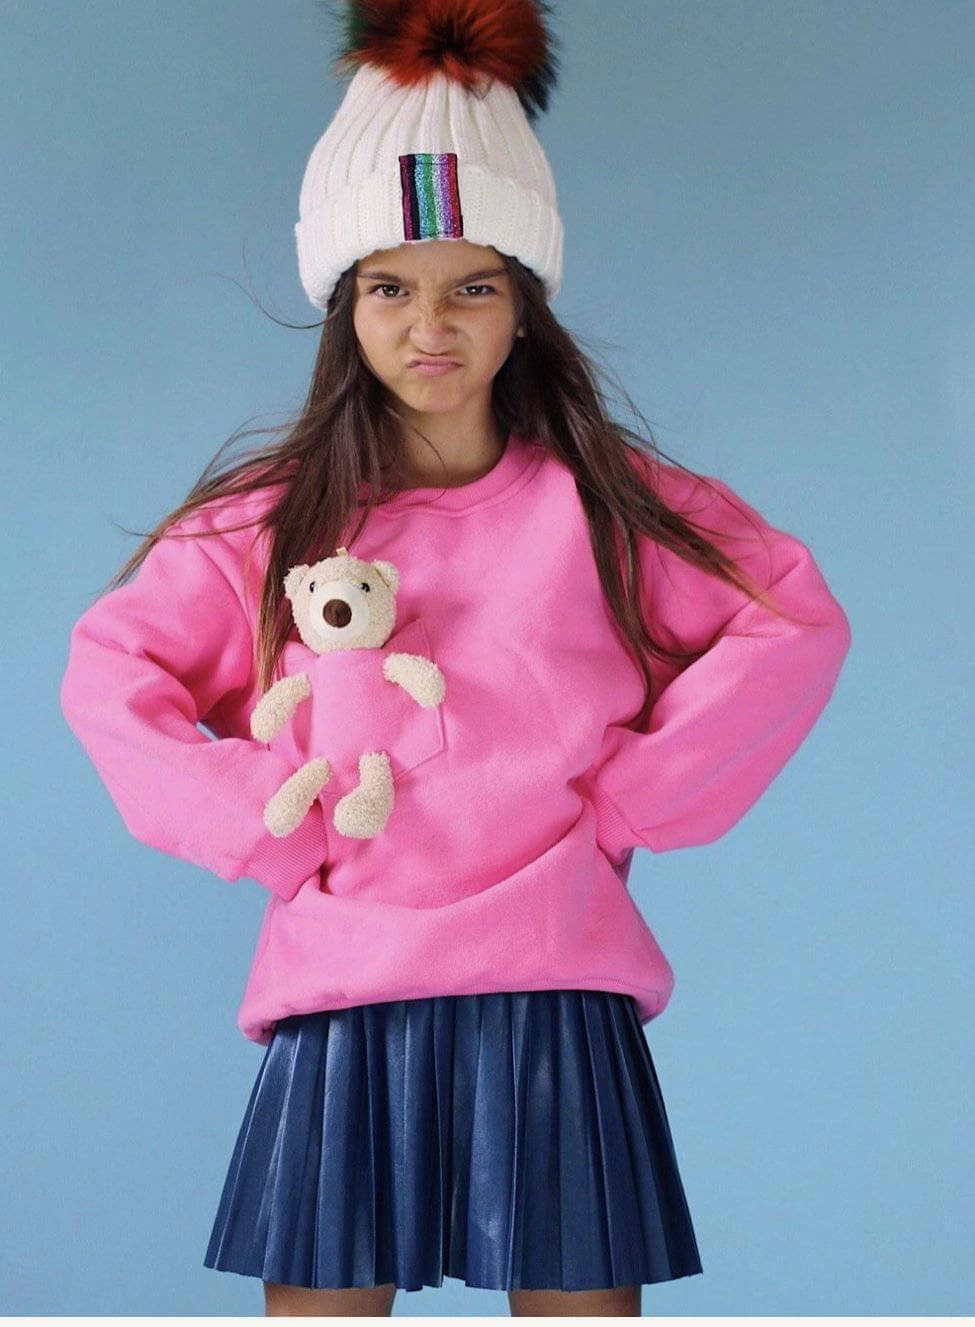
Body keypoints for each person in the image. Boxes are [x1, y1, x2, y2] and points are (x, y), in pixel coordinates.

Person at [59, 0, 852, 1317]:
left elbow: (789, 615)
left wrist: (630, 800)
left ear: (524, 307)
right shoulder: (269, 522)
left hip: (554, 976)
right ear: (345, 307)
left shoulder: (604, 506)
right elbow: (111, 673)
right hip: (345, 978)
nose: (432, 324)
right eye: (391, 287)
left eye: (473, 286)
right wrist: (271, 820)